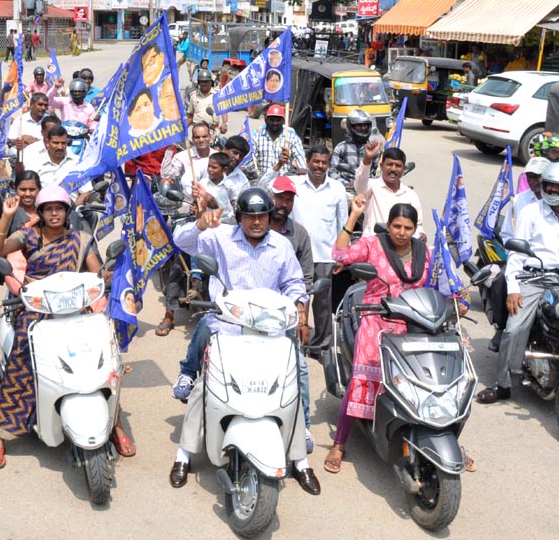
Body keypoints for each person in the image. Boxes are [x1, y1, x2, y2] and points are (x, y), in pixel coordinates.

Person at [168, 189, 320, 495]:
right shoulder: (220, 236)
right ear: (239, 217)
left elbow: (293, 282)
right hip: (228, 329)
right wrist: (199, 224)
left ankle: (299, 459)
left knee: (292, 385)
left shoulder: (281, 246)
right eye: (250, 216)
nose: (256, 222)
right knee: (204, 388)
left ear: (269, 216)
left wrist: (299, 306)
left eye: (262, 216)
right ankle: (184, 454)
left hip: (270, 332)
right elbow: (180, 242)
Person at [0, 187, 133, 468]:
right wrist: (5, 216)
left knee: (104, 359)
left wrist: (117, 271)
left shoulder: (80, 239)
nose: (54, 213)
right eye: (49, 209)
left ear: (67, 212)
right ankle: (1, 436)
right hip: (37, 309)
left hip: (75, 307)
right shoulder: (28, 235)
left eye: (60, 208)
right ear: (41, 213)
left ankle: (115, 423)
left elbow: (96, 272)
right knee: (21, 359)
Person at [325, 200, 430, 473]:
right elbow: (339, 254)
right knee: (361, 380)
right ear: (389, 225)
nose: (402, 232)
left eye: (408, 227)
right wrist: (354, 215)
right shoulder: (373, 245)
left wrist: (457, 301)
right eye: (397, 226)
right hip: (376, 320)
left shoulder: (423, 252)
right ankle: (339, 442)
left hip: (412, 323)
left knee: (426, 380)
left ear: (415, 228)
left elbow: (437, 285)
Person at [477, 162, 559, 404]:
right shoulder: (530, 212)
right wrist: (513, 289)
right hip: (532, 278)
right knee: (514, 328)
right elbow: (517, 254)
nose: (553, 190)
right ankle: (503, 384)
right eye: (549, 185)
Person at [265, 144, 348, 358]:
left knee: (322, 304)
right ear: (308, 162)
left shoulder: (337, 188)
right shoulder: (295, 184)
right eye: (316, 161)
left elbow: (343, 222)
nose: (320, 166)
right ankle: (292, 340)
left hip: (324, 255)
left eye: (324, 162)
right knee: (294, 298)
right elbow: (266, 186)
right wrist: (280, 163)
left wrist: (342, 254)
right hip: (296, 252)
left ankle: (321, 347)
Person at [355, 139, 425, 239]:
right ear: (381, 166)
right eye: (389, 164)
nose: (393, 169)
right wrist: (367, 159)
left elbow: (417, 225)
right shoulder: (371, 186)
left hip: (400, 246)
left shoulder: (410, 195)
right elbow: (360, 184)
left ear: (403, 169)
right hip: (373, 244)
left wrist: (421, 234)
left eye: (398, 166)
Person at [251, 103, 305, 177]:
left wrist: (302, 168)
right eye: (272, 120)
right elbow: (252, 159)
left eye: (278, 120)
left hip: (284, 179)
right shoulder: (257, 136)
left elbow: (299, 155)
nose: (275, 123)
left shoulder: (291, 137)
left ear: (283, 120)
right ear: (266, 120)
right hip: (262, 178)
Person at [161, 123, 213, 192]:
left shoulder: (217, 156)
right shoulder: (183, 156)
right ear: (193, 139)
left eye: (204, 136)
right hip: (188, 197)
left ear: (210, 137)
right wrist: (169, 150)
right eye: (197, 137)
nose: (201, 140)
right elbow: (166, 176)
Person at [330, 110, 376, 184]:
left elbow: (379, 172)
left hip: (368, 187)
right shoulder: (341, 148)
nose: (363, 128)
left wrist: (371, 183)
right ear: (350, 126)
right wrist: (346, 183)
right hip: (346, 187)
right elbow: (332, 172)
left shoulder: (374, 148)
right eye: (359, 126)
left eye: (365, 125)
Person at [8, 92, 47, 157]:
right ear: (31, 104)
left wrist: (37, 143)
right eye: (40, 105)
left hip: (43, 152)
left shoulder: (49, 120)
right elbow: (11, 140)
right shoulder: (20, 120)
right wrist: (22, 138)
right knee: (12, 152)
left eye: (45, 105)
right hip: (24, 152)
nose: (43, 108)